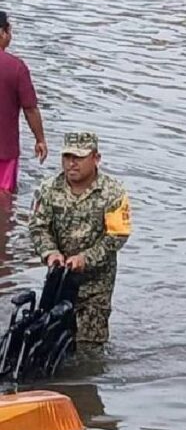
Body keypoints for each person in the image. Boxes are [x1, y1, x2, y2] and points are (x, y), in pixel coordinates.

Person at [29, 132, 132, 348]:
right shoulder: (48, 189)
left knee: (89, 347)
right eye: (67, 157)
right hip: (59, 279)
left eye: (78, 158)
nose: (71, 163)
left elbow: (117, 235)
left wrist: (86, 258)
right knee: (49, 339)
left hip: (96, 285)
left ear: (95, 158)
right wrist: (50, 252)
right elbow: (38, 227)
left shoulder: (113, 192)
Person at [0, 11, 47, 194]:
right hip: (4, 151)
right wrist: (40, 139)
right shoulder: (16, 67)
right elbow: (30, 109)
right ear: (3, 32)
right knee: (4, 201)